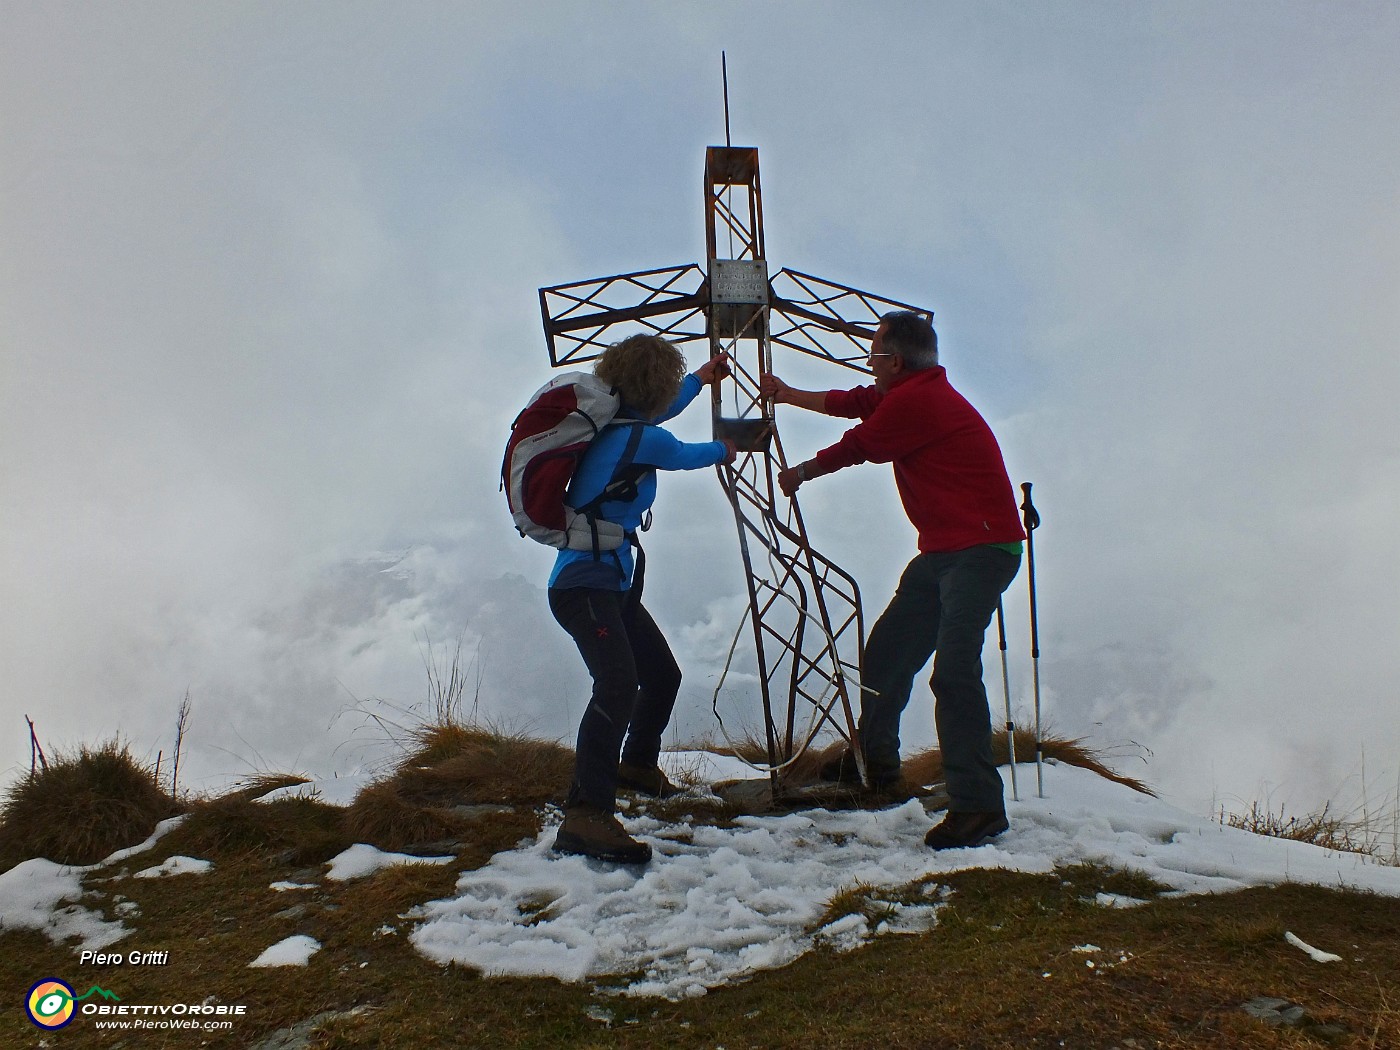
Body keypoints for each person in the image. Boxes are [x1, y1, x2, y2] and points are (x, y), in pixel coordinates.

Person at [759, 311, 1024, 850]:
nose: (870, 365)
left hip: (981, 551)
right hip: (945, 552)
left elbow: (862, 442)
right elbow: (853, 402)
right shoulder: (912, 390)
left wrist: (801, 473)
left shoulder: (916, 402)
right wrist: (788, 395)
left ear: (895, 362)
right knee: (885, 657)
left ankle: (978, 807)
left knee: (953, 673)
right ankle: (876, 772)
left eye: (875, 356)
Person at [550, 334, 735, 865]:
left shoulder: (615, 427)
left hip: (607, 582)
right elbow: (679, 453)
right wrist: (728, 448)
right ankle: (585, 814)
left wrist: (701, 379)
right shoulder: (638, 439)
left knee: (660, 675)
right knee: (616, 682)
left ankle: (636, 765)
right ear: (650, 389)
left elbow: (661, 413)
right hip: (588, 585)